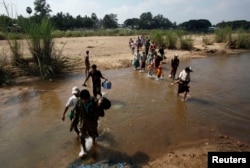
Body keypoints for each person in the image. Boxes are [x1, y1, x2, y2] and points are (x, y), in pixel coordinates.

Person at [75, 89, 104, 157]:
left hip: (92, 122)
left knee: (93, 134)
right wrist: (74, 123)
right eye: (83, 100)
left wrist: (100, 106)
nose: (85, 101)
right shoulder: (79, 102)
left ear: (89, 97)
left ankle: (94, 142)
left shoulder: (96, 101)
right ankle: (84, 150)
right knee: (82, 136)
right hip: (83, 122)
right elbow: (76, 113)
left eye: (86, 99)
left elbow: (102, 114)